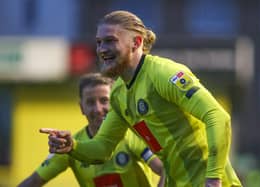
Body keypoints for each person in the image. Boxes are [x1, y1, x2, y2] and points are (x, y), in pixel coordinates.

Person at [41, 10, 242, 187]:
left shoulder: (164, 74)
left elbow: (217, 116)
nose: (102, 49)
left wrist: (214, 179)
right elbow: (102, 148)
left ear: (136, 42)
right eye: (99, 43)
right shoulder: (119, 93)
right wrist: (73, 146)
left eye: (110, 41)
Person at [18, 73, 165, 187]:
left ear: (115, 102)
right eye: (90, 102)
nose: (98, 109)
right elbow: (33, 182)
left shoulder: (132, 135)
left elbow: (165, 169)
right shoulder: (71, 147)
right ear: (81, 107)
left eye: (104, 100)